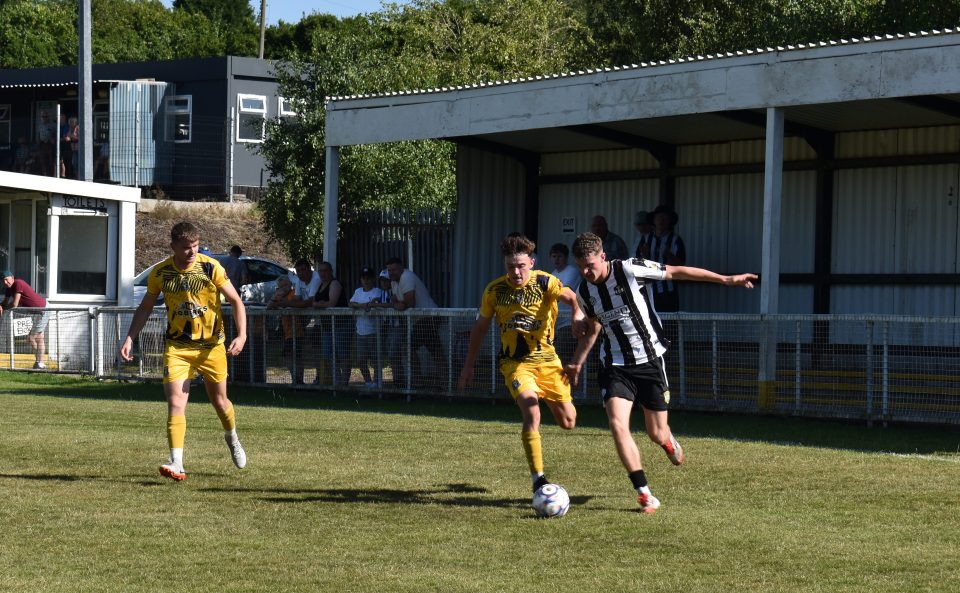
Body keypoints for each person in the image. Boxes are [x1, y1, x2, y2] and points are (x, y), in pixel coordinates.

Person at [567, 232, 756, 513]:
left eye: (590, 265)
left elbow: (677, 271)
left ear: (603, 257)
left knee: (656, 433)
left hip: (650, 361)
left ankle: (666, 440)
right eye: (581, 266)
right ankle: (644, 493)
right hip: (614, 365)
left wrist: (726, 280)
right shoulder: (584, 292)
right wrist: (577, 360)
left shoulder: (630, 269)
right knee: (618, 424)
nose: (585, 272)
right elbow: (594, 328)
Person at [118, 222, 248, 482]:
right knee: (176, 402)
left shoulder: (211, 267)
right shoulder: (161, 272)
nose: (192, 252)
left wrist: (242, 335)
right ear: (173, 247)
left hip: (211, 346)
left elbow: (236, 301)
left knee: (220, 402)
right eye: (186, 247)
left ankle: (232, 437)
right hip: (178, 347)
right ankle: (176, 462)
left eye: (195, 246)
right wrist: (130, 336)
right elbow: (145, 307)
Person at [458, 234, 583, 496]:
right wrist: (468, 365)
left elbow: (573, 298)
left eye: (521, 266)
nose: (516, 272)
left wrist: (576, 315)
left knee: (568, 422)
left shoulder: (545, 282)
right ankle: (539, 480)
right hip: (515, 364)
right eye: (510, 266)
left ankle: (544, 394)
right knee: (531, 411)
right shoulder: (495, 291)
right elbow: (480, 329)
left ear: (532, 263)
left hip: (548, 362)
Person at [385, 257, 448, 388]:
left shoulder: (406, 277)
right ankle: (445, 382)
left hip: (429, 317)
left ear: (402, 268)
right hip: (420, 320)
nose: (391, 273)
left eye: (394, 269)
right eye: (389, 270)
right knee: (435, 351)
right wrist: (398, 304)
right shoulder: (394, 282)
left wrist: (399, 304)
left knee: (409, 347)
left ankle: (420, 383)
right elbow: (395, 301)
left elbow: (409, 303)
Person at [0, 270, 51, 369]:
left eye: (6, 279)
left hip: (44, 310)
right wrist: (1, 306)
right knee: (39, 338)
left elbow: (15, 304)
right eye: (3, 281)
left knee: (31, 338)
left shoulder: (18, 283)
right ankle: (40, 363)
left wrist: (3, 309)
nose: (5, 282)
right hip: (36, 312)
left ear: (12, 277)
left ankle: (39, 363)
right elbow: (5, 303)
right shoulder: (8, 289)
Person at [312, 261, 350, 385]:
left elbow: (331, 303)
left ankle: (344, 383)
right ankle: (337, 381)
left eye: (325, 270)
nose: (323, 273)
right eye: (320, 271)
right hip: (327, 326)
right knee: (328, 355)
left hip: (341, 325)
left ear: (331, 271)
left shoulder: (335, 283)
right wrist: (320, 304)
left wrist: (319, 304)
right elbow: (314, 302)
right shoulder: (319, 285)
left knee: (342, 354)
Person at [267, 275, 305, 384]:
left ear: (290, 285)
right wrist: (276, 296)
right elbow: (269, 306)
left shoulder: (294, 294)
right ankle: (295, 380)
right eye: (280, 287)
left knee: (295, 356)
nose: (282, 289)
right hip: (286, 331)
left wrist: (279, 299)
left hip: (297, 331)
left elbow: (285, 303)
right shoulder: (281, 295)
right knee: (288, 356)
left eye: (285, 286)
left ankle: (299, 381)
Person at [349, 267, 383, 387]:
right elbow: (351, 303)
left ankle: (377, 382)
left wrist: (364, 305)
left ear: (373, 279)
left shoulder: (377, 291)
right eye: (364, 278)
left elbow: (375, 302)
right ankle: (368, 382)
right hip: (360, 332)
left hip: (374, 331)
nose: (366, 280)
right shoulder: (358, 291)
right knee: (361, 360)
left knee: (375, 359)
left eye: (368, 278)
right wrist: (362, 305)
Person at [648, 205, 686, 312]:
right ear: (654, 220)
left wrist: (669, 255)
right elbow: (634, 262)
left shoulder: (676, 240)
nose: (661, 221)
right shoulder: (644, 240)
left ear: (669, 221)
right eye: (658, 218)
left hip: (669, 291)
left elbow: (681, 264)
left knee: (670, 319)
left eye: (664, 218)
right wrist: (644, 255)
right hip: (648, 289)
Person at [548, 242, 580, 364]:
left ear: (566, 258)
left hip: (569, 322)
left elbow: (563, 293)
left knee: (561, 357)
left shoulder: (572, 271)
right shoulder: (553, 274)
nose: (557, 259)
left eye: (560, 256)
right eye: (554, 256)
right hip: (556, 324)